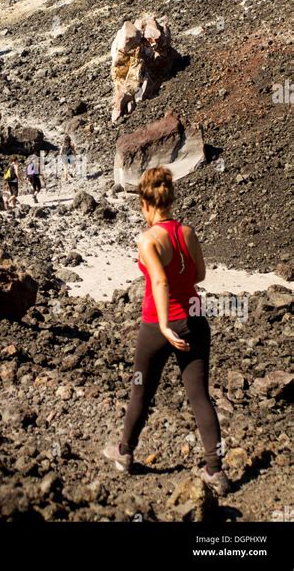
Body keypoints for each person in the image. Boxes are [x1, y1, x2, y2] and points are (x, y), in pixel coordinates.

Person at [103, 166, 229, 496]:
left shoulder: (147, 239)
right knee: (200, 396)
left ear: (145, 204)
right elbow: (199, 273)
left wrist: (162, 324)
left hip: (160, 324)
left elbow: (158, 281)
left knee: (141, 390)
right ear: (169, 200)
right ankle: (215, 472)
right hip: (196, 318)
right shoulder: (187, 232)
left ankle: (124, 452)